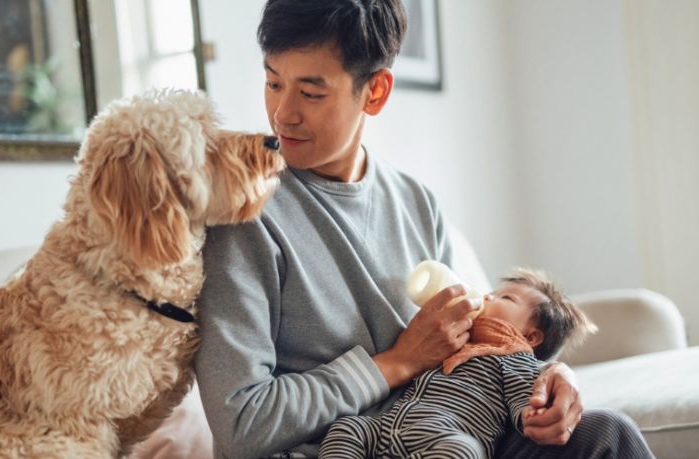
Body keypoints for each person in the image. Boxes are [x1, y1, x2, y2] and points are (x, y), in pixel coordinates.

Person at [194, 1, 653, 457]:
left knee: (607, 434)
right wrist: (398, 362)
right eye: (273, 82)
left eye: (311, 93)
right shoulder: (242, 211)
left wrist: (553, 377)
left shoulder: (415, 202)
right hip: (339, 448)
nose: (282, 114)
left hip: (443, 438)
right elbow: (241, 425)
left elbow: (477, 341)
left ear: (375, 91)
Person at [319, 268, 597, 458]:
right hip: (386, 427)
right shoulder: (451, 339)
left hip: (446, 436)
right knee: (348, 428)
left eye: (506, 298)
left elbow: (526, 402)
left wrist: (536, 410)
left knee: (463, 452)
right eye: (492, 292)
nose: (488, 297)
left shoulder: (513, 360)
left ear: (532, 336)